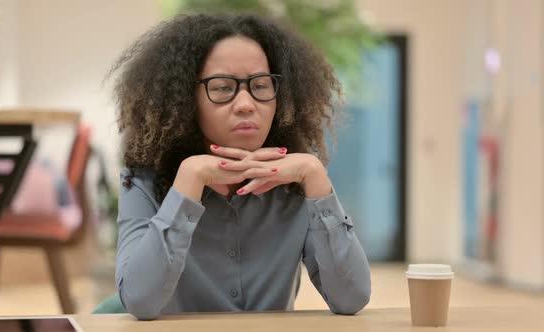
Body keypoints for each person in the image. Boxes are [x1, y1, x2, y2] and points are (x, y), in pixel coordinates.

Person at [109, 13, 371, 320]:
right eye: (222, 88)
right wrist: (189, 181)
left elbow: (351, 299)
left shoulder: (298, 180)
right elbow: (140, 301)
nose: (246, 103)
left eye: (260, 86)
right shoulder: (143, 181)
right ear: (186, 99)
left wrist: (315, 176)